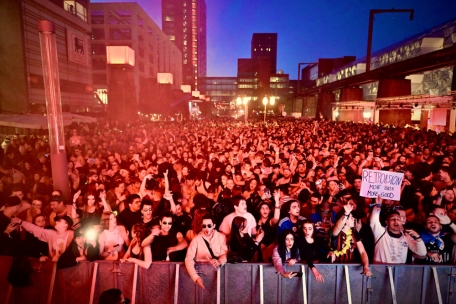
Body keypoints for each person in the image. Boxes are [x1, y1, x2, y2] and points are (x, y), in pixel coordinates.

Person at [370, 196, 426, 264]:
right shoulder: (380, 232)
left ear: (402, 222)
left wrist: (418, 238)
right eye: (392, 219)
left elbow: (422, 253)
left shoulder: (406, 236)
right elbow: (373, 221)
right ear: (386, 222)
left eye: (398, 219)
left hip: (399, 273)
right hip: (379, 272)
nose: (396, 221)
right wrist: (377, 206)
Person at [185, 214, 228, 289]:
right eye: (204, 226)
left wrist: (219, 261)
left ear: (214, 225)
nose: (206, 228)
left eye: (209, 226)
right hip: (202, 275)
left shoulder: (221, 237)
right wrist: (195, 277)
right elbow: (188, 259)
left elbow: (224, 254)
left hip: (217, 274)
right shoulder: (196, 240)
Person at [332, 205, 372, 276]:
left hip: (350, 267)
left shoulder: (354, 233)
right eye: (351, 217)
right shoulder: (335, 232)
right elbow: (338, 226)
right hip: (334, 268)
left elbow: (362, 252)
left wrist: (366, 267)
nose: (354, 219)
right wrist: (346, 213)